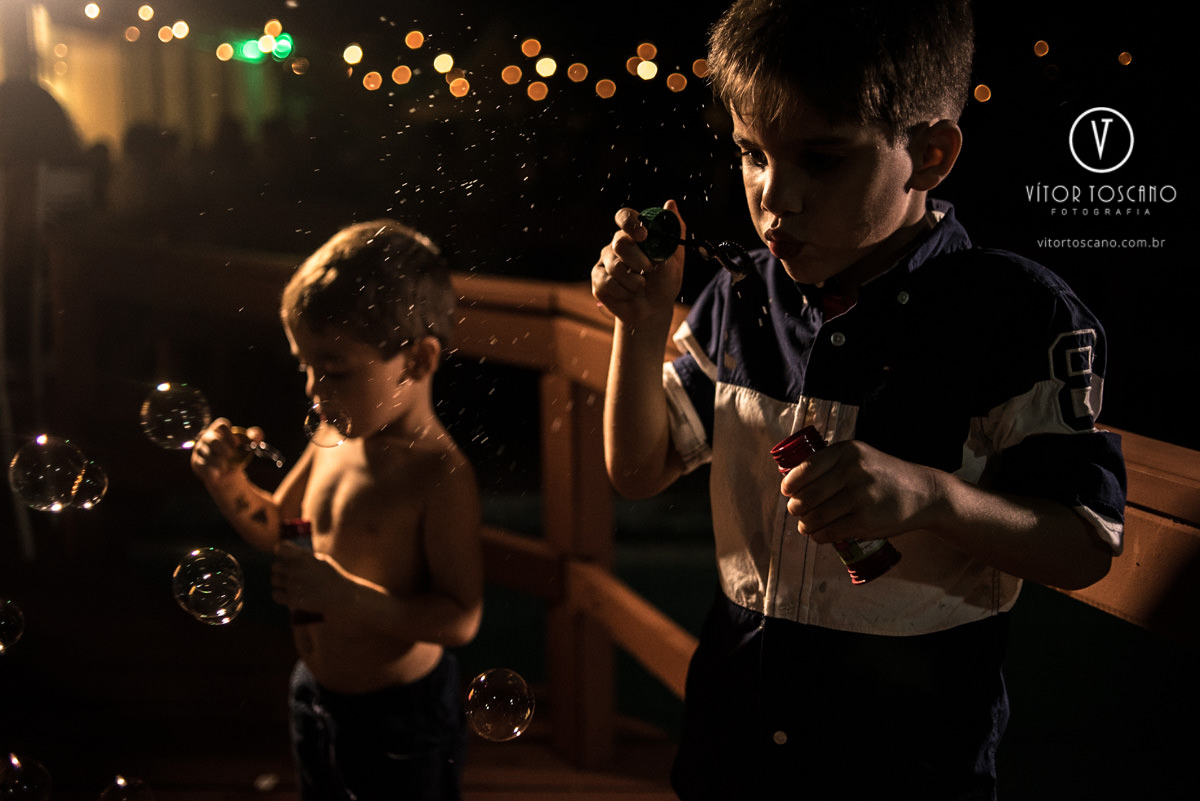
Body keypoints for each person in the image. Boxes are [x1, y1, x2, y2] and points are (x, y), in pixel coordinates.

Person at [591, 1, 1126, 798]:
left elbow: (1087, 541)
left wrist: (933, 497)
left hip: (909, 765)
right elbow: (637, 469)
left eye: (823, 159)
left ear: (931, 153)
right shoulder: (742, 297)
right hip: (729, 749)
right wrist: (637, 329)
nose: (776, 197)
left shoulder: (1013, 317)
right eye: (751, 154)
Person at [192, 219, 483, 801]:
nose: (311, 387)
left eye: (334, 368)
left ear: (418, 361)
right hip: (313, 693)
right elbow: (280, 528)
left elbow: (459, 619)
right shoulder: (334, 433)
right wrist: (228, 483)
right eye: (304, 364)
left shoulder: (437, 475)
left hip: (399, 717)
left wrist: (346, 596)